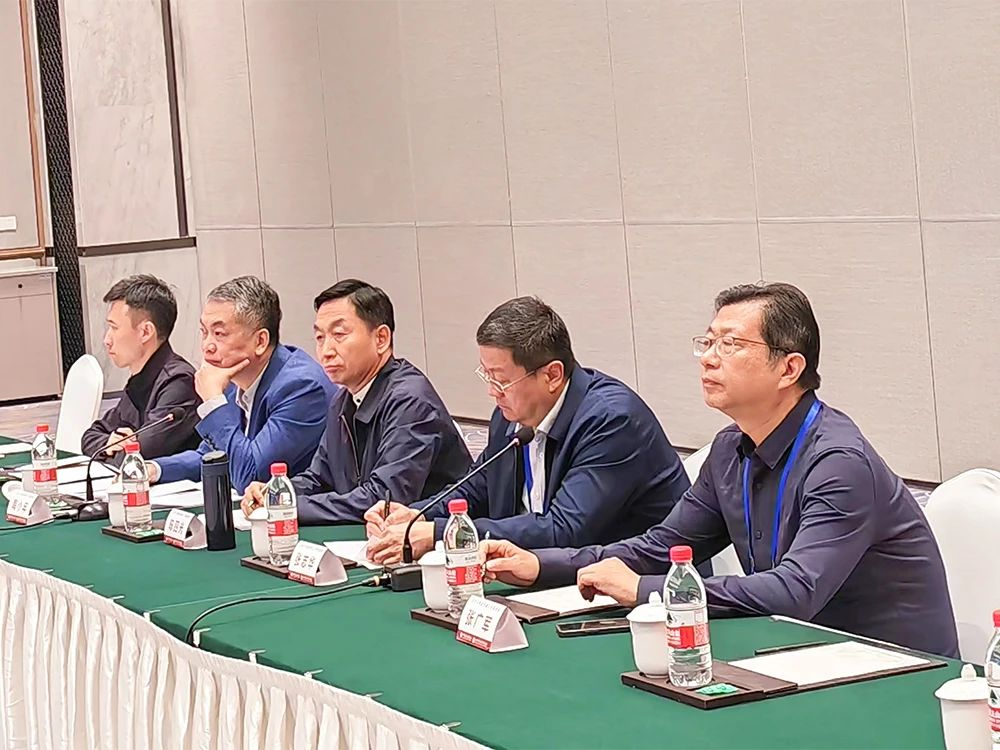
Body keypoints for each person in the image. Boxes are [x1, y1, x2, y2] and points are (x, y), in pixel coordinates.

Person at [480, 282, 959, 658]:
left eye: (730, 345)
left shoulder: (839, 462)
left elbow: (796, 590)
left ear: (789, 368)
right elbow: (660, 547)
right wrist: (543, 564)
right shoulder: (731, 449)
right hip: (795, 653)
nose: (708, 358)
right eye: (707, 342)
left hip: (895, 670)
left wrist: (643, 590)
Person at [364, 296, 691, 566]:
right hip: (545, 576)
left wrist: (438, 534)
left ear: (552, 375)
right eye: (487, 376)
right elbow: (478, 487)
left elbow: (565, 529)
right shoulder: (510, 416)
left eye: (501, 380)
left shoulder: (612, 421)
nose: (492, 392)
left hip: (645, 588)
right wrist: (417, 515)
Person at [240, 279, 471, 523]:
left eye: (339, 335)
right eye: (319, 337)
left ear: (381, 339)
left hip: (433, 535)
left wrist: (288, 507)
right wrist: (276, 492)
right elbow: (319, 478)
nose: (326, 351)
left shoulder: (410, 401)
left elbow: (382, 499)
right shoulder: (343, 399)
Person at [149, 276, 337, 492]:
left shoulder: (301, 388)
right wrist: (155, 469)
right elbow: (212, 455)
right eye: (204, 332)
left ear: (260, 341)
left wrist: (213, 402)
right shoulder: (234, 381)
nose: (207, 346)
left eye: (219, 334)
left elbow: (251, 476)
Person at [81, 275, 200, 463]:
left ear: (145, 332)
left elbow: (137, 458)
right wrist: (108, 443)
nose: (106, 340)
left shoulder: (179, 382)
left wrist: (112, 451)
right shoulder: (140, 379)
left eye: (114, 328)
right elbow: (90, 437)